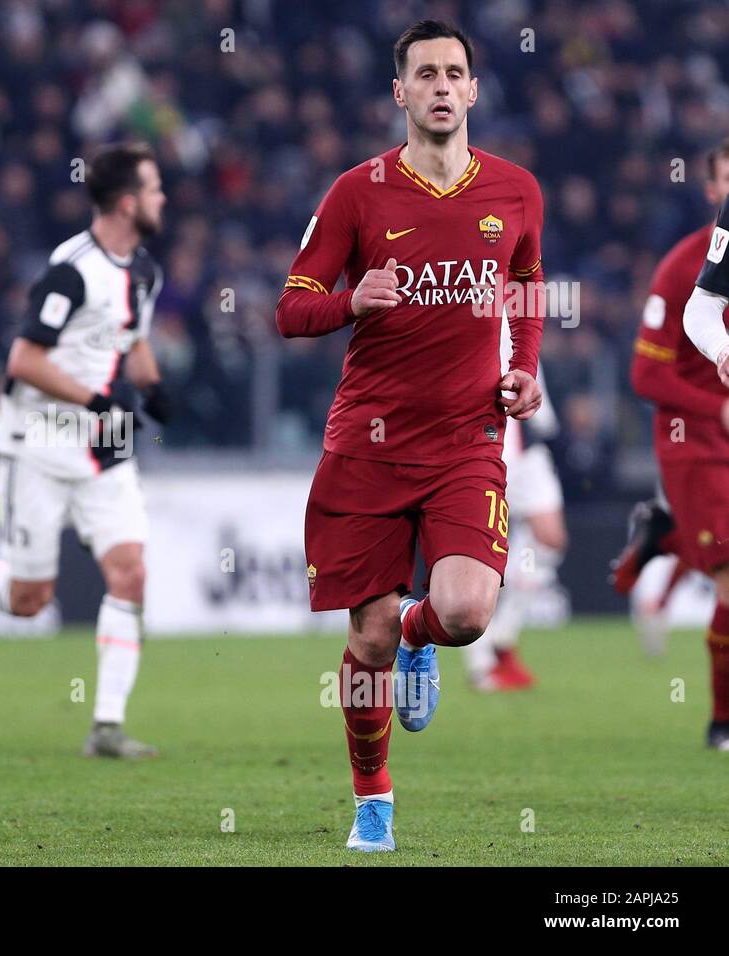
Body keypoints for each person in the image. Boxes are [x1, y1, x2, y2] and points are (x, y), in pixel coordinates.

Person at [275, 20, 544, 851]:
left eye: (452, 72)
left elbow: (528, 283)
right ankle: (374, 802)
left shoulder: (516, 191)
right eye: (423, 72)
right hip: (368, 444)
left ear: (471, 90)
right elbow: (290, 309)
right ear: (400, 92)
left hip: (468, 438)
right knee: (367, 638)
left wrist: (525, 367)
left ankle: (423, 639)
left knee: (463, 612)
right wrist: (349, 303)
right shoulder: (356, 193)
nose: (438, 84)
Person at [0, 142, 172, 759]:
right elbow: (23, 359)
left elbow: (132, 341)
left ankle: (106, 727)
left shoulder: (144, 270)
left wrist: (157, 392)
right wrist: (94, 399)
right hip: (37, 442)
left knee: (131, 571)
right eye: (154, 188)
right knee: (29, 600)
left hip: (104, 445)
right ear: (126, 201)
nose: (163, 197)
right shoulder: (70, 269)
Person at [629, 137, 729, 751]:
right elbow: (646, 375)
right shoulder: (683, 266)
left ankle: (663, 539)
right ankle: (722, 720)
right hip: (696, 443)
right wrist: (716, 403)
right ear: (710, 187)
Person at [462, 322, 567, 691]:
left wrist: (546, 421)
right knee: (487, 550)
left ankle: (503, 637)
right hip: (488, 440)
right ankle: (479, 661)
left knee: (550, 539)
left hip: (528, 441)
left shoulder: (522, 299)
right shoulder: (468, 292)